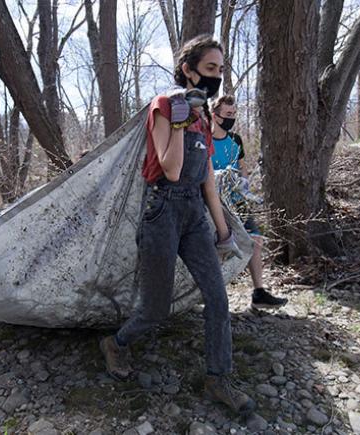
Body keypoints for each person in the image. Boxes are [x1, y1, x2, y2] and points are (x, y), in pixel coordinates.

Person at [99, 35, 255, 416]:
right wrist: (184, 119)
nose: (216, 78)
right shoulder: (166, 105)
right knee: (155, 309)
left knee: (217, 298)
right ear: (188, 70)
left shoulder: (204, 115)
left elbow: (207, 181)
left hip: (194, 216)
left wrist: (223, 231)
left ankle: (219, 378)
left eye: (220, 70)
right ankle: (116, 343)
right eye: (209, 69)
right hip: (162, 211)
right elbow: (169, 168)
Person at [210, 95, 288, 310]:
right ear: (215, 116)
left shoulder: (235, 140)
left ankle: (259, 292)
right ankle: (215, 297)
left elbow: (241, 165)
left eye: (234, 114)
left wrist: (243, 183)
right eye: (227, 115)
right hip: (215, 204)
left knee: (255, 240)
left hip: (238, 199)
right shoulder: (206, 140)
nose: (231, 118)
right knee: (219, 247)